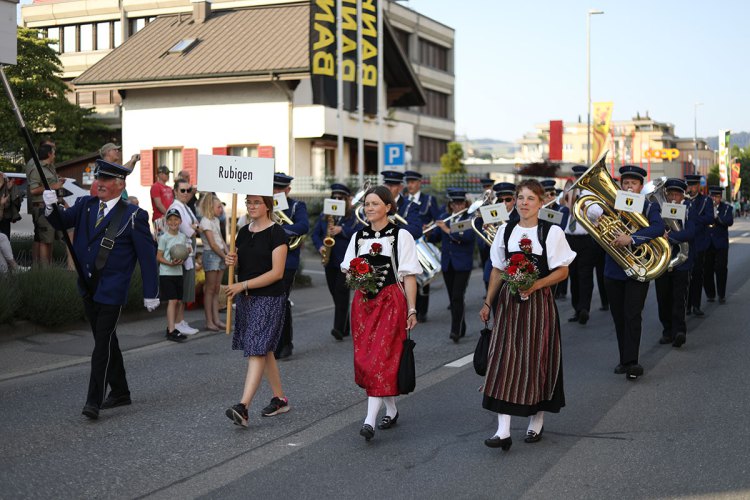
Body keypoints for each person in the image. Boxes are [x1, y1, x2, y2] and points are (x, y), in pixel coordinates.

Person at [43, 159, 159, 420]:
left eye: (106, 180)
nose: (100, 183)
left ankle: (93, 401)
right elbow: (60, 222)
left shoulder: (133, 216)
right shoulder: (85, 206)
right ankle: (121, 391)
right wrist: (50, 206)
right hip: (88, 286)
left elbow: (148, 257)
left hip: (112, 290)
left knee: (101, 344)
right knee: (106, 340)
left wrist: (151, 291)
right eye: (99, 179)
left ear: (120, 185)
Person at [479, 179, 575, 450]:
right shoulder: (505, 231)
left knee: (536, 359)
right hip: (509, 303)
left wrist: (536, 285)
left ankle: (536, 420)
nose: (523, 203)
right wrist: (488, 303)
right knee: (503, 360)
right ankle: (503, 431)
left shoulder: (551, 232)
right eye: (520, 198)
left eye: (530, 198)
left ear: (541, 203)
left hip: (538, 303)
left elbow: (563, 270)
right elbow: (498, 270)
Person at [341, 185, 420, 441]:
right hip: (363, 304)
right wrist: (357, 275)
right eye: (366, 204)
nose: (369, 208)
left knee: (381, 358)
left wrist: (411, 308)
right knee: (367, 359)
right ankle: (392, 409)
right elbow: (347, 269)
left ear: (388, 206)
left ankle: (368, 421)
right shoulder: (358, 237)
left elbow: (408, 277)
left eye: (375, 203)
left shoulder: (401, 236)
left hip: (390, 301)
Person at [224, 194, 290, 427]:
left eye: (256, 202)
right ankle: (280, 399)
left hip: (269, 298)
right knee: (264, 348)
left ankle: (243, 407)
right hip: (247, 298)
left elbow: (276, 273)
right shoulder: (242, 231)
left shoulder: (277, 233)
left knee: (257, 349)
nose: (251, 206)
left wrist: (242, 285)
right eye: (248, 202)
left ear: (268, 205)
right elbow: (245, 266)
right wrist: (232, 261)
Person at [603, 165, 664, 380]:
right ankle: (623, 359)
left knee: (632, 314)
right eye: (626, 183)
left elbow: (658, 227)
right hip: (613, 269)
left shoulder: (649, 206)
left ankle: (632, 362)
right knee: (619, 316)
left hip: (638, 267)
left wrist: (632, 238)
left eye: (633, 183)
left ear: (640, 186)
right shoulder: (611, 205)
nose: (629, 186)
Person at [311, 183, 363, 340]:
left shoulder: (354, 217)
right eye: (334, 197)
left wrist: (343, 230)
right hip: (329, 260)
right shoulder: (324, 216)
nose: (337, 199)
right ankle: (346, 326)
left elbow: (361, 232)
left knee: (341, 292)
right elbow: (315, 234)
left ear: (347, 199)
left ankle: (338, 329)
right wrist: (320, 246)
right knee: (335, 293)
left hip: (346, 261)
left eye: (341, 198)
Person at [430, 189, 475, 342]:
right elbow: (436, 237)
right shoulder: (444, 217)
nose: (458, 206)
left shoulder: (469, 219)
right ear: (450, 205)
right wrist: (429, 232)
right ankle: (461, 325)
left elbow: (467, 238)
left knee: (457, 296)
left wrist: (446, 229)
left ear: (465, 204)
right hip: (448, 264)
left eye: (461, 203)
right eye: (455, 204)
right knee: (453, 298)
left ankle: (455, 330)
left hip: (462, 264)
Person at [655, 179, 695, 348]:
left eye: (676, 194)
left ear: (682, 196)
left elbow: (691, 232)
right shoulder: (659, 210)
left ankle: (679, 331)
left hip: (682, 260)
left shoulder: (689, 211)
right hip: (663, 259)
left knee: (679, 298)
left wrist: (670, 237)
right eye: (670, 194)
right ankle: (667, 330)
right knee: (663, 297)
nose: (673, 197)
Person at [272, 173, 309, 359]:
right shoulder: (264, 205)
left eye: (280, 189)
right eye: (274, 188)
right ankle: (279, 342)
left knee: (280, 300)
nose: (276, 192)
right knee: (274, 302)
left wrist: (280, 231)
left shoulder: (296, 206)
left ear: (288, 190)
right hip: (266, 261)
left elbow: (303, 226)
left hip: (288, 261)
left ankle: (284, 344)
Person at [404, 170, 440, 322]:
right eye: (408, 182)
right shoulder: (404, 201)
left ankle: (422, 311)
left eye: (413, 182)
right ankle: (412, 308)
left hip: (423, 242)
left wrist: (429, 231)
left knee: (424, 276)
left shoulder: (429, 200)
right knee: (409, 275)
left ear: (419, 183)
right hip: (408, 242)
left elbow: (437, 221)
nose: (410, 185)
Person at [167, 179, 201, 335]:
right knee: (180, 290)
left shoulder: (184, 207)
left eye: (188, 190)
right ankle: (177, 322)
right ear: (175, 191)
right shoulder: (176, 207)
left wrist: (195, 228)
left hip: (187, 251)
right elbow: (191, 231)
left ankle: (180, 321)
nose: (186, 193)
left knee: (185, 289)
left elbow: (197, 227)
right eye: (183, 190)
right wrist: (194, 228)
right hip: (181, 252)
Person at [26, 143, 65, 266]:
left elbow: (51, 183)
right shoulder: (37, 168)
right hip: (42, 207)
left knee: (50, 239)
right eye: (54, 152)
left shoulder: (50, 167)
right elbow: (33, 190)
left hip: (53, 205)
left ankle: (49, 266)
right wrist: (55, 186)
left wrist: (58, 182)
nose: (55, 155)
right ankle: (45, 270)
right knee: (44, 240)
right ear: (49, 153)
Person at [157, 208, 190, 342]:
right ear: (166, 221)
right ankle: (171, 330)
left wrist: (184, 257)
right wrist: (169, 263)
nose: (173, 222)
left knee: (177, 301)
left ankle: (172, 327)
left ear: (180, 221)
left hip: (178, 273)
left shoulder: (182, 237)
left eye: (176, 219)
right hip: (166, 273)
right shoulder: (164, 238)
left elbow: (184, 254)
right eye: (170, 219)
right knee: (172, 301)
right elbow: (158, 257)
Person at [684, 174, 714, 316]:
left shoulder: (706, 200)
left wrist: (694, 216)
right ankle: (687, 305)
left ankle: (696, 305)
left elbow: (709, 218)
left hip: (700, 243)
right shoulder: (682, 201)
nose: (691, 188)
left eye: (693, 185)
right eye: (689, 186)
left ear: (698, 186)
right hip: (686, 243)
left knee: (697, 275)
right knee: (685, 276)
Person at [198, 193, 228, 331]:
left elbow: (221, 239)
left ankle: (216, 320)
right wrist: (224, 255)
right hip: (211, 255)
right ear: (211, 207)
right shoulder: (205, 221)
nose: (221, 209)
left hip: (220, 254)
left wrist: (228, 253)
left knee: (216, 289)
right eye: (219, 207)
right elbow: (212, 244)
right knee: (210, 290)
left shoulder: (215, 220)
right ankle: (209, 321)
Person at [541, 180, 571, 300]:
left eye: (552, 194)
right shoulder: (537, 210)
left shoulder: (562, 209)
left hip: (556, 247)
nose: (549, 197)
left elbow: (560, 228)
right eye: (546, 195)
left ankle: (559, 292)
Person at [703, 186, 734, 304]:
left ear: (720, 197)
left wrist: (717, 217)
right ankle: (710, 294)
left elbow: (729, 221)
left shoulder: (727, 208)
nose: (714, 199)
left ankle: (721, 294)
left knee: (721, 269)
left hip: (720, 244)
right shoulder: (705, 208)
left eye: (717, 196)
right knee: (707, 270)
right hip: (707, 243)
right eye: (712, 196)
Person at [381, 170, 422, 239]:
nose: (389, 188)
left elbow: (416, 231)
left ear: (400, 188)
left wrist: (391, 226)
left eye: (392, 185)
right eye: (387, 185)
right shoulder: (378, 204)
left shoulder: (410, 206)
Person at [150, 165, 174, 236]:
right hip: (160, 218)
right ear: (160, 174)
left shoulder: (169, 188)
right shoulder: (155, 186)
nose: (168, 175)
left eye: (168, 173)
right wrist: (169, 215)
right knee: (161, 242)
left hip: (169, 217)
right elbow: (158, 204)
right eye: (166, 173)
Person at [0, 171, 23, 239]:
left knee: (5, 241)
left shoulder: (3, 177)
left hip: (5, 217)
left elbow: (9, 203)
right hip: (3, 215)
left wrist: (8, 190)